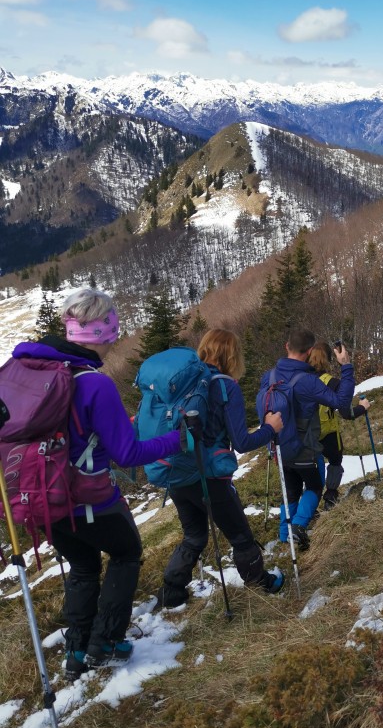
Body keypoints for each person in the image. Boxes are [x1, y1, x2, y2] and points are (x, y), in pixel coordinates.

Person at [9, 286, 183, 681]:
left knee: (84, 565)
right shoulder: (94, 384)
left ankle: (76, 653)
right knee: (126, 553)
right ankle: (104, 644)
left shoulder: (40, 373)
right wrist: (178, 440)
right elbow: (129, 455)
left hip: (42, 501)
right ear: (105, 334)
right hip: (89, 498)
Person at [155, 329, 285, 608]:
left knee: (194, 535)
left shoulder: (185, 385)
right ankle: (260, 582)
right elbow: (241, 441)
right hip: (211, 476)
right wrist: (270, 429)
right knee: (240, 535)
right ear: (232, 355)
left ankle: (171, 591)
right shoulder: (226, 385)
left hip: (178, 474)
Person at [260, 327, 354, 550]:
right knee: (314, 485)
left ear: (287, 346)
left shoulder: (269, 376)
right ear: (310, 351)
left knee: (291, 489)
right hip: (304, 447)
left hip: (280, 446)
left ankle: (285, 533)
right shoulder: (308, 380)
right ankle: (298, 528)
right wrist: (346, 366)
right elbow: (341, 402)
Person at [307, 341, 369, 509]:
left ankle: (309, 507)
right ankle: (330, 497)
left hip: (307, 434)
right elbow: (346, 412)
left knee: (310, 469)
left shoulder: (301, 380)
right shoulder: (331, 382)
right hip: (329, 434)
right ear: (329, 359)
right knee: (335, 463)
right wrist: (362, 408)